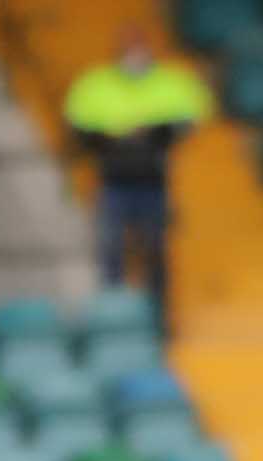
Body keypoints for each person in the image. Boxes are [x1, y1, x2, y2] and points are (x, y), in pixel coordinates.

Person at [62, 31, 211, 325]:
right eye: (130, 49)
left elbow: (191, 118)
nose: (136, 57)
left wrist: (155, 135)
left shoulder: (171, 82)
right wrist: (111, 140)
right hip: (113, 183)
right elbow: (78, 125)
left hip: (153, 183)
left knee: (156, 253)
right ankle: (113, 319)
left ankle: (159, 319)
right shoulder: (95, 84)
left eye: (140, 49)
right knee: (111, 252)